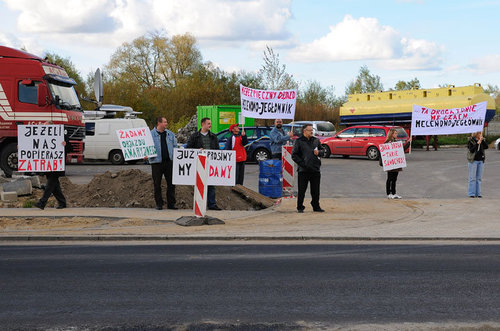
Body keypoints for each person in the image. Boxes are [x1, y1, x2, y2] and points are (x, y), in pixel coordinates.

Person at [35, 123, 72, 210]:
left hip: (56, 165)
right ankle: (62, 202)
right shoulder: (43, 137)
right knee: (54, 185)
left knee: (50, 184)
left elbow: (70, 148)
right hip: (48, 165)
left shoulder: (61, 136)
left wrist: (65, 145)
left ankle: (42, 202)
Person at [186, 117, 221, 210]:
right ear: (203, 124)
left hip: (210, 163)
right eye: (208, 123)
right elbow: (188, 149)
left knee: (211, 184)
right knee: (199, 184)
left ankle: (212, 204)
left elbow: (217, 150)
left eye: (210, 123)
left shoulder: (213, 137)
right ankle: (199, 205)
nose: (210, 125)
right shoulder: (194, 136)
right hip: (198, 164)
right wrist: (197, 150)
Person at [291, 124, 324, 213]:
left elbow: (323, 151)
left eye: (312, 130)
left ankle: (316, 206)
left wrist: (319, 152)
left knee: (316, 190)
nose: (311, 132)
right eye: (309, 130)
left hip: (315, 169)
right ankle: (300, 206)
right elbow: (294, 155)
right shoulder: (299, 141)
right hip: (303, 170)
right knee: (302, 190)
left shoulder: (316, 140)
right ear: (304, 131)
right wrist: (302, 164)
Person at [149, 117, 177, 210]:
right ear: (159, 123)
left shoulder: (170, 134)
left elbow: (175, 147)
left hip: (169, 162)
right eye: (165, 122)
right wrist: (145, 155)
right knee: (157, 184)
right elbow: (145, 147)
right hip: (156, 162)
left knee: (171, 183)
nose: (166, 124)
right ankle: (159, 204)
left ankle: (171, 204)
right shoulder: (150, 135)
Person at [382, 128, 412, 199]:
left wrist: (408, 142)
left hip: (396, 164)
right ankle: (389, 194)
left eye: (396, 133)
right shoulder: (387, 142)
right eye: (395, 133)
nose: (397, 134)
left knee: (394, 179)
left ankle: (394, 193)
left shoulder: (395, 142)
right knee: (390, 178)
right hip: (390, 164)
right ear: (391, 134)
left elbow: (402, 149)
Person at [467, 131, 488, 198]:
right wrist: (477, 143)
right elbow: (471, 150)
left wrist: (482, 141)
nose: (480, 134)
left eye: (480, 133)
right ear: (476, 134)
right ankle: (471, 193)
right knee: (472, 178)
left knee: (479, 178)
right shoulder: (471, 141)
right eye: (479, 133)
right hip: (473, 160)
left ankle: (478, 193)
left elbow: (486, 147)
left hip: (480, 160)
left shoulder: (482, 140)